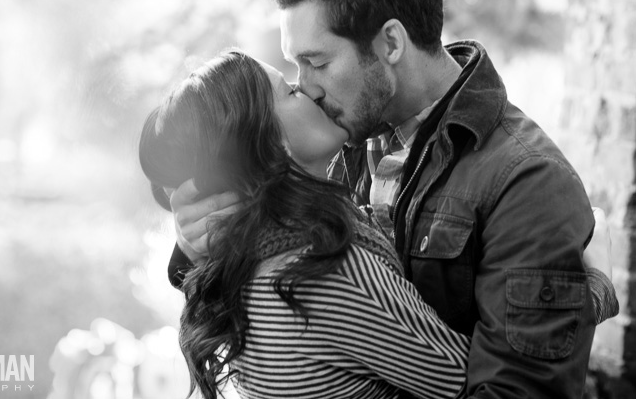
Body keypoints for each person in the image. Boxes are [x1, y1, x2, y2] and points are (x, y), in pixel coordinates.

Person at [166, 0, 619, 398]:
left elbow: (521, 391)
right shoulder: (339, 139)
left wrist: (574, 305)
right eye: (295, 67)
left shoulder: (525, 179)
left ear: (391, 44)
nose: (307, 88)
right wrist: (193, 242)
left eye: (316, 62)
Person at [140, 50, 472, 399]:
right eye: (290, 91)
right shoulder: (321, 270)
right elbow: (462, 378)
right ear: (269, 144)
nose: (311, 91)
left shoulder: (248, 271)